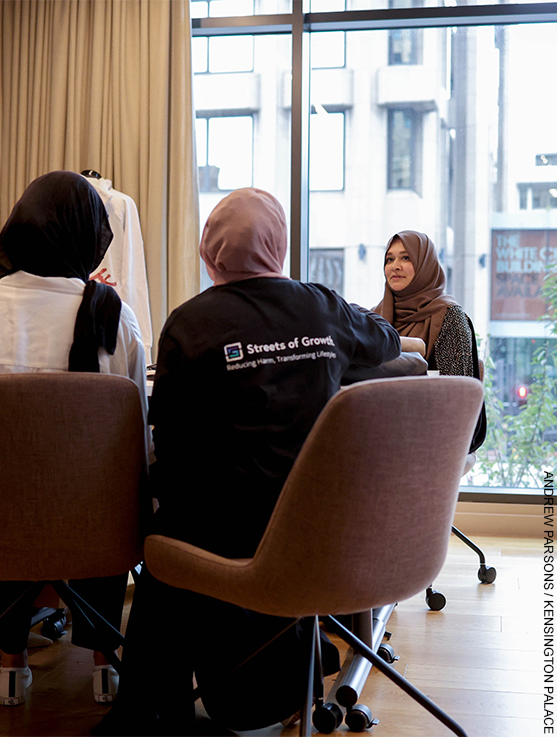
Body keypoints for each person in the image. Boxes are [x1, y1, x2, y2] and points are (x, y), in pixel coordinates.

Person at [96, 187, 402, 736]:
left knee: (166, 535)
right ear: (280, 248)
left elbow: (169, 435)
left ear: (208, 255)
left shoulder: (190, 323)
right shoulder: (322, 305)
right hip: (322, 534)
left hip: (227, 534)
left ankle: (148, 711)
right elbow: (386, 341)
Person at [0, 170, 149, 708]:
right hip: (93, 525)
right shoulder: (112, 315)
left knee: (9, 492)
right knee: (106, 490)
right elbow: (135, 443)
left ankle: (10, 661)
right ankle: (104, 663)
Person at [373, 229, 486, 452]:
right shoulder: (374, 318)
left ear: (425, 264)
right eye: (389, 259)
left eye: (406, 258)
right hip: (379, 428)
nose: (395, 265)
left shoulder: (450, 317)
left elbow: (457, 399)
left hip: (431, 436)